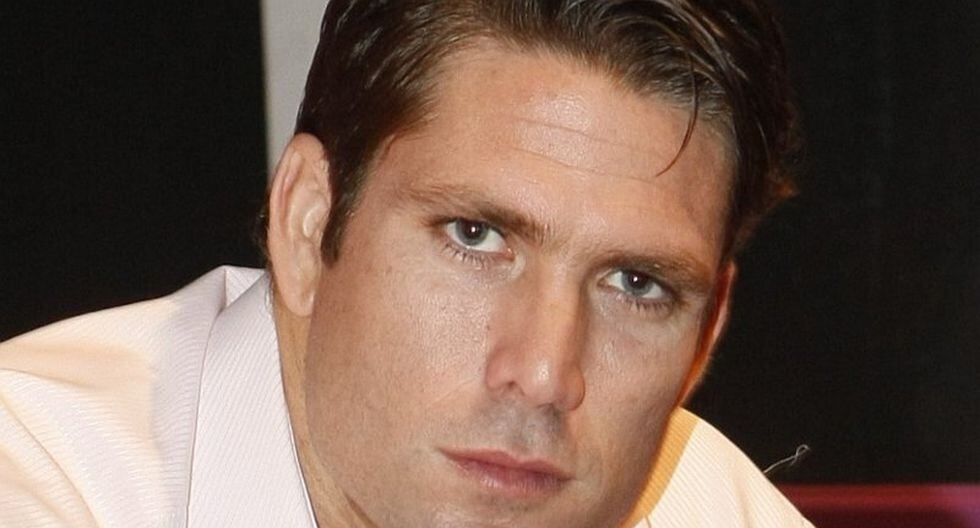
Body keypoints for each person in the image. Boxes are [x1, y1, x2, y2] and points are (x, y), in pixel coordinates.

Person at [0, 1, 810, 526]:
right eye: (475, 236)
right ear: (307, 224)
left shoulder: (714, 510)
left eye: (637, 284)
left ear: (707, 334)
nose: (542, 374)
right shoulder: (34, 479)